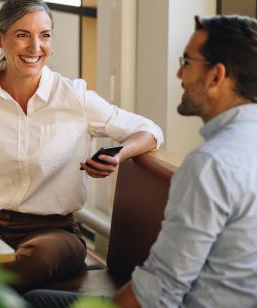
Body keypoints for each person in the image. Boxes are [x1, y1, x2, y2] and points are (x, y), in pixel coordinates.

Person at [0, 0, 163, 293]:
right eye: (22, 35)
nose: (35, 47)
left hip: (53, 231)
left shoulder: (74, 97)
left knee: (38, 258)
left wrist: (119, 155)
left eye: (44, 35)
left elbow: (149, 130)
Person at [24, 14, 257, 307]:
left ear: (216, 76)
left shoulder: (210, 164)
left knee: (33, 301)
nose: (179, 75)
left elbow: (157, 293)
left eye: (186, 62)